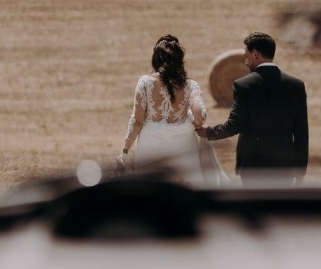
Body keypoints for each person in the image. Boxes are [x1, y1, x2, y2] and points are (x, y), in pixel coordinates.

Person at [196, 32, 309, 186]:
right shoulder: (296, 85)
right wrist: (300, 171)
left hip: (253, 165)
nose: (246, 61)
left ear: (255, 54)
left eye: (246, 56)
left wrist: (209, 132)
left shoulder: (243, 85)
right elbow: (302, 133)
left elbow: (235, 124)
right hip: (285, 166)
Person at [117, 35, 229, 186]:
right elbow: (199, 116)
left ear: (156, 59)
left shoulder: (145, 82)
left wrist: (125, 152)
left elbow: (137, 121)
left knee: (152, 186)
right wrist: (194, 121)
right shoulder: (190, 85)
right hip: (183, 144)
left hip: (150, 143)